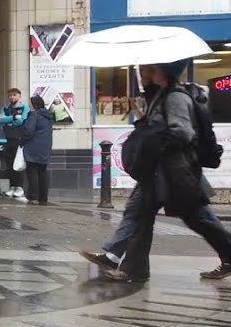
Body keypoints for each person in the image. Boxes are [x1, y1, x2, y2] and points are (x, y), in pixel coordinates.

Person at [88, 62, 231, 282]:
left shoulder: (175, 97)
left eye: (146, 68)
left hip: (176, 172)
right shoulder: (160, 95)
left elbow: (183, 132)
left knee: (199, 219)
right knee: (138, 212)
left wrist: (156, 143)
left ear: (160, 71)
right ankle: (123, 262)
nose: (141, 72)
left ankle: (123, 262)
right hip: (158, 172)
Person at [21, 95, 54, 206]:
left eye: (30, 103)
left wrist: (22, 140)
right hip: (45, 148)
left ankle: (33, 196)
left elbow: (29, 131)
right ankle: (43, 198)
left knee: (32, 172)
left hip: (33, 147)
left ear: (34, 104)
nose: (29, 105)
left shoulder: (34, 115)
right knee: (42, 172)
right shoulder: (48, 116)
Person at [0, 88, 31, 199]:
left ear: (19, 96)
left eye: (14, 95)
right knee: (9, 163)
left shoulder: (24, 108)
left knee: (18, 163)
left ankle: (20, 187)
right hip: (7, 139)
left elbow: (22, 121)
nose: (12, 97)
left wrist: (10, 120)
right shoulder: (5, 108)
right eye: (10, 95)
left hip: (18, 139)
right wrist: (12, 118)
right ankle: (12, 186)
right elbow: (1, 119)